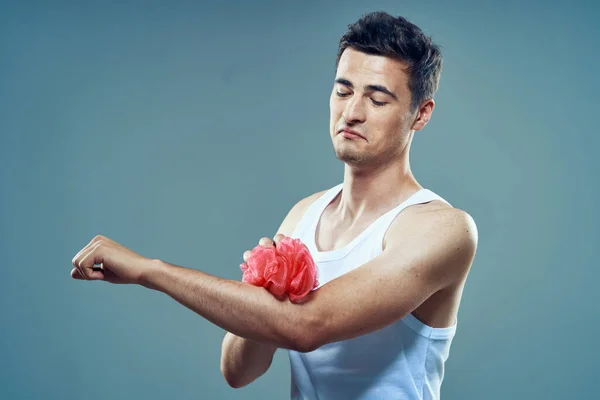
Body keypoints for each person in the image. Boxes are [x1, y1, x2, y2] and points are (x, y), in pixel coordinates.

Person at [71, 11, 478, 400]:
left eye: (377, 100)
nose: (351, 112)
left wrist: (150, 271)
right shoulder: (304, 215)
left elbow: (305, 327)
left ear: (420, 114)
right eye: (343, 91)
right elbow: (237, 371)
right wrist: (264, 291)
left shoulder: (443, 229)